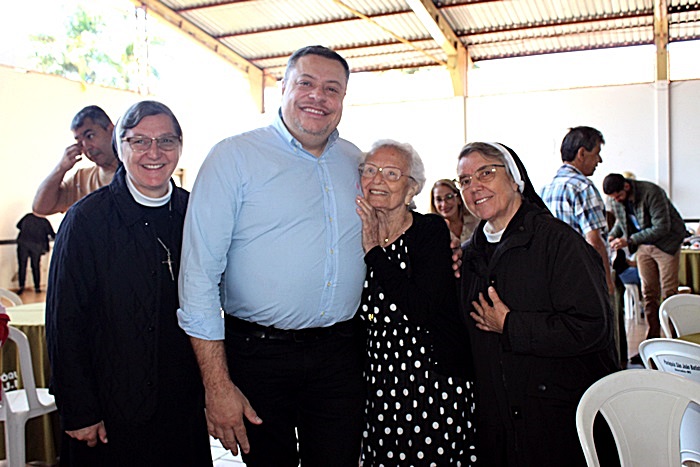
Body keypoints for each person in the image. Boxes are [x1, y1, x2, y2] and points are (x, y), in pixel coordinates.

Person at [178, 46, 366, 466]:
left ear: (343, 99)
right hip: (258, 356)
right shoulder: (233, 157)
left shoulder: (356, 161)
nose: (318, 96)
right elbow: (198, 276)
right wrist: (217, 384)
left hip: (340, 354)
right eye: (306, 83)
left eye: (331, 88)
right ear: (281, 87)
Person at [46, 100, 212, 466]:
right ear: (121, 147)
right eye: (139, 141)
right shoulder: (86, 221)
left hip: (179, 404)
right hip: (109, 410)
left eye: (166, 141)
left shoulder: (196, 212)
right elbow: (64, 321)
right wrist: (79, 410)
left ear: (180, 148)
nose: (154, 152)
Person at [458, 142, 618, 466]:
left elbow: (592, 327)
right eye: (464, 180)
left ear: (515, 178)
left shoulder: (559, 242)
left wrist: (511, 325)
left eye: (486, 172)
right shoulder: (469, 255)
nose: (474, 187)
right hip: (499, 425)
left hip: (555, 423)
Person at [355, 140, 477, 465]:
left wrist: (374, 253)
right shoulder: (352, 233)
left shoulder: (429, 231)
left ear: (412, 189)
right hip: (377, 382)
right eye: (370, 170)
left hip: (430, 381)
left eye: (391, 173)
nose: (377, 179)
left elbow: (420, 308)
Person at [540, 126, 622, 366]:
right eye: (597, 153)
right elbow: (594, 239)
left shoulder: (546, 189)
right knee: (604, 343)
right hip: (587, 279)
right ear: (582, 153)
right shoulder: (583, 188)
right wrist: (606, 281)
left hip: (558, 281)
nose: (600, 160)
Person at [603, 173, 687, 343]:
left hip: (666, 244)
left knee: (669, 292)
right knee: (648, 293)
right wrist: (612, 236)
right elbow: (622, 221)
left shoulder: (651, 192)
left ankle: (674, 339)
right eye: (613, 198)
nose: (616, 200)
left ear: (626, 187)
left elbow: (662, 227)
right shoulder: (616, 200)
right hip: (643, 245)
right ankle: (653, 339)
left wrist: (629, 240)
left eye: (618, 196)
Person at [33, 105, 118, 216]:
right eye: (79, 142)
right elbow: (40, 208)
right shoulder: (81, 179)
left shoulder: (138, 172)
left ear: (111, 130)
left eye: (90, 136)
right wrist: (61, 168)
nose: (87, 146)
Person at [15, 212, 55, 294]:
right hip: (36, 247)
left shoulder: (27, 217)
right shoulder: (44, 221)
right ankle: (37, 287)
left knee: (22, 266)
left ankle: (21, 287)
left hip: (23, 244)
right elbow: (52, 234)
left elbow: (18, 226)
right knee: (36, 267)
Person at [430, 178, 479, 243]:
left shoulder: (477, 221)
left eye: (449, 197)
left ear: (459, 199)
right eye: (439, 200)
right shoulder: (432, 231)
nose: (444, 204)